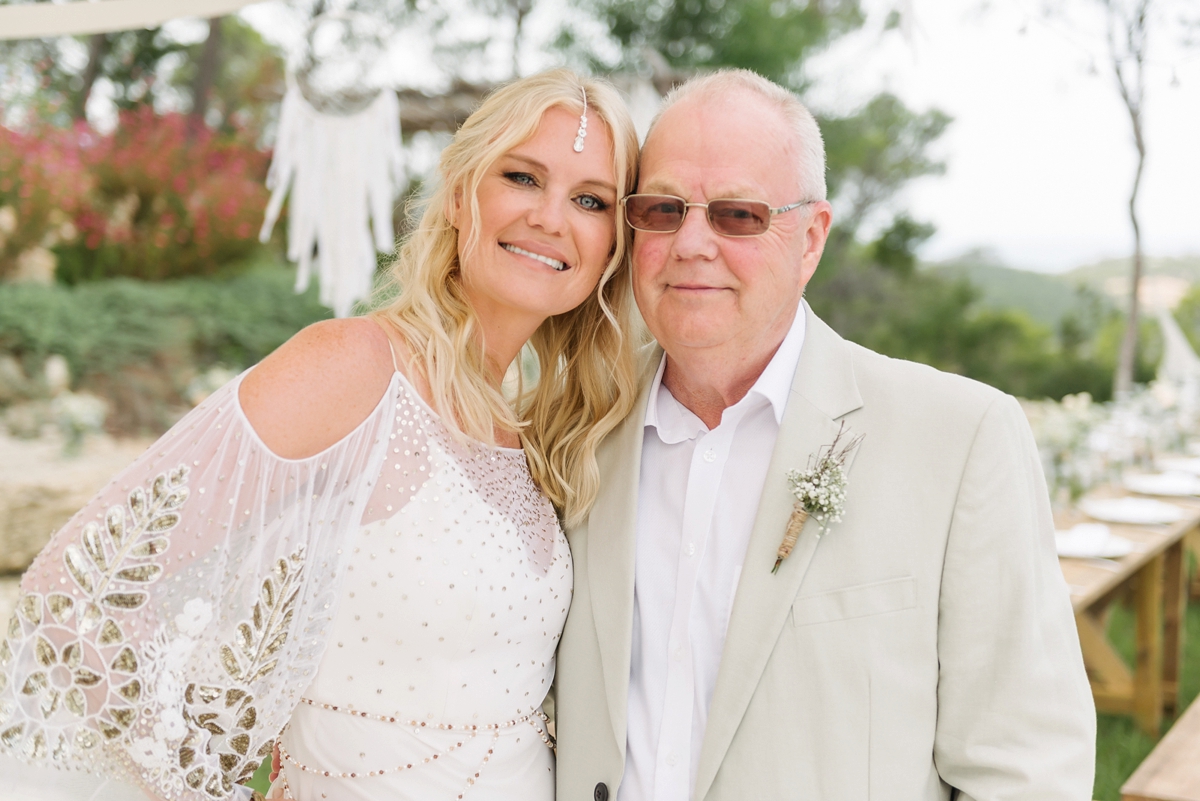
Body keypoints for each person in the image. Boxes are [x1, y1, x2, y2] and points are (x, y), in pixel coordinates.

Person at [0, 68, 640, 801]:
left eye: (590, 199)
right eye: (523, 177)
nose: (552, 217)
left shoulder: (533, 428)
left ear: (613, 246)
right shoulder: (354, 368)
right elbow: (76, 593)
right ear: (462, 195)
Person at [553, 69, 1096, 801]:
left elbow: (1027, 768)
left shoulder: (962, 439)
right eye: (663, 208)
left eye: (737, 215)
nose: (691, 242)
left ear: (810, 239)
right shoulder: (571, 425)